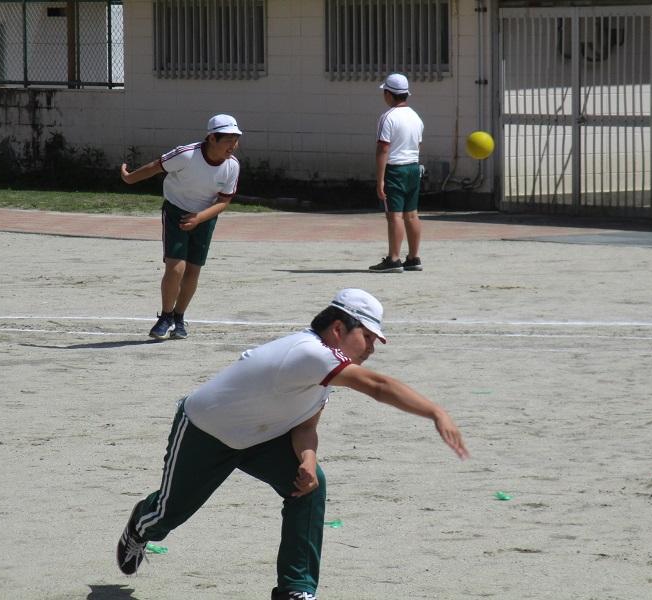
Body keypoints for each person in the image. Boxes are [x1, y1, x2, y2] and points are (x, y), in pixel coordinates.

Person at [116, 288, 469, 600]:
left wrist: (308, 461)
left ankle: (295, 589)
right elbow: (378, 386)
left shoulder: (325, 371)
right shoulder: (308, 352)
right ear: (338, 329)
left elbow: (305, 427)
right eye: (367, 336)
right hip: (206, 431)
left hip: (260, 437)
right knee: (168, 514)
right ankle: (139, 526)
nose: (372, 348)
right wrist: (435, 411)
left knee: (310, 487)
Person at [120, 114, 242, 340]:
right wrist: (129, 179)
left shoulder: (232, 166)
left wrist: (199, 218)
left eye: (236, 140)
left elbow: (224, 201)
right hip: (176, 211)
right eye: (228, 140)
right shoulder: (187, 154)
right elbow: (156, 167)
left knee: (193, 271)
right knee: (176, 268)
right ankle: (165, 316)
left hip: (204, 217)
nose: (233, 146)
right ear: (212, 138)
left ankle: (179, 317)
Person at [370, 73, 425, 274]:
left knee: (395, 215)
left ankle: (393, 259)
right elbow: (418, 145)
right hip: (413, 167)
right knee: (412, 214)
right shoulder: (415, 116)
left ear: (388, 94)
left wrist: (380, 180)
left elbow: (383, 149)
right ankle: (413, 257)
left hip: (395, 169)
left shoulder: (388, 117)